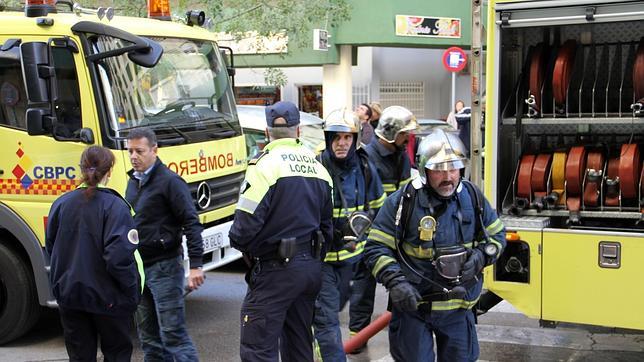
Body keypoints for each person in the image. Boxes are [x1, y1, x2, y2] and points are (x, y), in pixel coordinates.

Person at [363, 129, 506, 362]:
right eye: (439, 169)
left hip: (459, 311)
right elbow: (376, 247)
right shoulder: (403, 201)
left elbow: (497, 236)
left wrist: (482, 256)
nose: (448, 176)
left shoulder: (472, 197)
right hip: (413, 310)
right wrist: (396, 282)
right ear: (424, 170)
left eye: (453, 168)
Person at [229, 101, 333, 362]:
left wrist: (245, 248)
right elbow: (328, 227)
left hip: (275, 271)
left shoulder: (263, 166)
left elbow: (244, 227)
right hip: (309, 269)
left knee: (258, 348)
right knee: (299, 345)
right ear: (298, 130)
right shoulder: (319, 168)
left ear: (267, 133)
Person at [46, 145, 142, 362]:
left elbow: (52, 247)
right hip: (110, 298)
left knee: (80, 356)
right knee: (117, 354)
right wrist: (130, 293)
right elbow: (119, 258)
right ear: (109, 172)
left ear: (81, 168)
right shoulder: (116, 207)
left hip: (70, 295)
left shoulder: (61, 203)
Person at [125, 127, 204, 361]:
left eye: (139, 151)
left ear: (154, 150)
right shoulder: (133, 181)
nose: (133, 156)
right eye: (130, 151)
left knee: (173, 336)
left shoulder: (170, 182)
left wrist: (196, 265)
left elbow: (191, 222)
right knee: (148, 339)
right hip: (140, 269)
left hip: (165, 268)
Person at [313, 108, 385, 361]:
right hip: (323, 260)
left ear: (355, 139)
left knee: (342, 305)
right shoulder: (316, 166)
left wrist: (365, 232)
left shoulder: (366, 168)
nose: (342, 143)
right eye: (336, 138)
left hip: (353, 258)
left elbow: (379, 209)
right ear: (328, 139)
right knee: (327, 316)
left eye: (347, 138)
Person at [349, 106, 418, 344]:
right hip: (372, 236)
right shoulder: (366, 160)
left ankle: (398, 335)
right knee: (363, 288)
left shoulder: (401, 157)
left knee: (399, 283)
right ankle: (357, 338)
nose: (408, 138)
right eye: (404, 134)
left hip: (398, 234)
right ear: (390, 133)